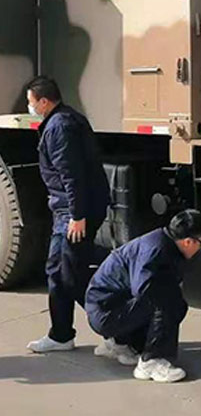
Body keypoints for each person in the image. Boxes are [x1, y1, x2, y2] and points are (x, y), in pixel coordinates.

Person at [26, 76, 110, 354]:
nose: (30, 107)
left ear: (44, 101)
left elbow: (71, 175)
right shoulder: (65, 119)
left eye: (31, 102)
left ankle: (118, 331)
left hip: (73, 213)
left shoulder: (59, 127)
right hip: (67, 211)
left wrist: (77, 215)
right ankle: (61, 335)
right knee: (57, 272)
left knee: (71, 276)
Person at [85, 209, 201, 383]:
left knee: (171, 297)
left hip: (110, 306)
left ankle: (122, 343)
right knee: (169, 301)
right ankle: (152, 361)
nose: (200, 248)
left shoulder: (165, 242)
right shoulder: (156, 250)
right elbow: (142, 288)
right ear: (189, 242)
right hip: (106, 312)